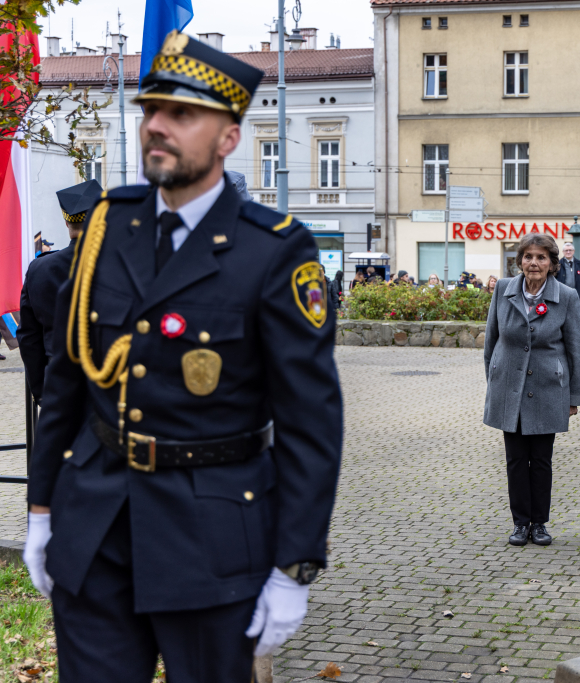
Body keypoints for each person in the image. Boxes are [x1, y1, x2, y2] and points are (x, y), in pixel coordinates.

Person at [21, 31, 344, 680]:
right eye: (150, 111)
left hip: (214, 534)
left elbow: (312, 421)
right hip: (97, 524)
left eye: (182, 114)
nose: (157, 127)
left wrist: (295, 564)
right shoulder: (110, 223)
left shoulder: (274, 250)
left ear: (228, 137)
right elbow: (66, 379)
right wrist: (41, 508)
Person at [483, 233, 580, 546]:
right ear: (520, 261)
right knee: (515, 460)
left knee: (541, 461)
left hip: (547, 389)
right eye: (528, 257)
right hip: (508, 389)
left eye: (541, 257)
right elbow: (491, 341)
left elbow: (575, 349)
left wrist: (572, 396)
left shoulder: (566, 296)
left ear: (552, 263)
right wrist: (495, 381)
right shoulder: (502, 289)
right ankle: (519, 524)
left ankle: (539, 523)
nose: (534, 263)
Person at [18, 179, 104, 402]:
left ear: (67, 224)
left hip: (61, 388)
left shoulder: (39, 269)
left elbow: (29, 338)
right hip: (116, 389)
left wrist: (43, 394)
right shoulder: (126, 262)